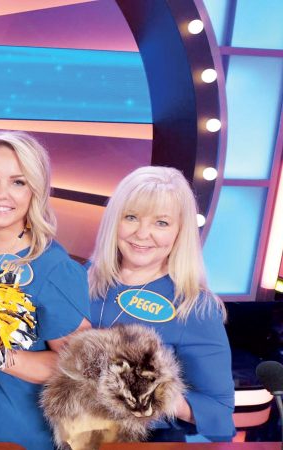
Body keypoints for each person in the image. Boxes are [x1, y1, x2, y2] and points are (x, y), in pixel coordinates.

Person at [0, 131, 90, 450]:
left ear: (36, 190)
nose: (2, 194)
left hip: (15, 435)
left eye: (18, 182)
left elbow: (77, 365)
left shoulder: (53, 266)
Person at [88, 166, 235, 442]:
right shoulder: (79, 280)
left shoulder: (194, 306)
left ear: (180, 232)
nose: (142, 233)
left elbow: (219, 413)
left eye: (161, 223)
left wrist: (151, 391)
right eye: (131, 217)